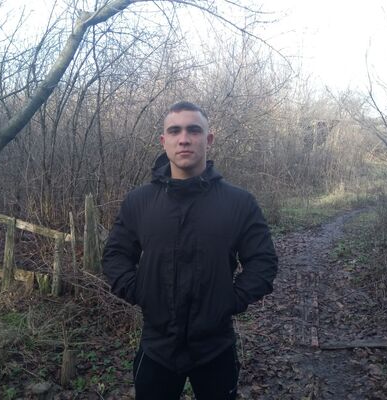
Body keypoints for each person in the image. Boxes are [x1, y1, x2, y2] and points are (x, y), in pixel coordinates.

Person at [102, 101, 278, 399]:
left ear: (208, 139)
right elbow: (115, 256)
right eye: (175, 131)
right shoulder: (139, 202)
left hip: (216, 348)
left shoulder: (238, 203)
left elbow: (263, 261)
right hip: (156, 348)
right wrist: (141, 292)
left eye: (193, 130)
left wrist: (231, 299)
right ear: (164, 141)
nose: (184, 138)